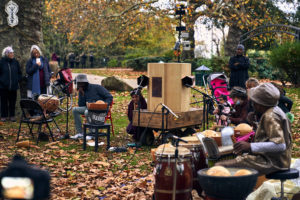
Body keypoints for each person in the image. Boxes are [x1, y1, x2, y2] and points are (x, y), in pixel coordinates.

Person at [216, 83, 292, 175]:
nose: (253, 105)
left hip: (273, 162)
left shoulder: (270, 116)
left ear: (260, 104)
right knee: (234, 161)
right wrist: (256, 123)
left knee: (220, 166)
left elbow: (280, 145)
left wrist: (250, 146)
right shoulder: (275, 110)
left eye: (254, 102)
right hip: (274, 159)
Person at [70, 74, 113, 139]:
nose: (81, 85)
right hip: (88, 108)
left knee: (87, 112)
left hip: (100, 109)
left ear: (86, 82)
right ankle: (80, 133)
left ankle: (92, 134)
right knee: (75, 109)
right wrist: (82, 95)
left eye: (82, 83)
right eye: (79, 83)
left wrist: (103, 105)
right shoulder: (81, 91)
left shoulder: (97, 87)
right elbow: (81, 105)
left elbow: (109, 97)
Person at [0, 46, 22, 122]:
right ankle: (3, 116)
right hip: (3, 87)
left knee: (12, 102)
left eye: (13, 53)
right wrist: (2, 81)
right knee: (4, 102)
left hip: (14, 86)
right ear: (6, 54)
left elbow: (19, 73)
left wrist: (17, 80)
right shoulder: (1, 62)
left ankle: (12, 116)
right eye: (10, 53)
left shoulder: (15, 62)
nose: (12, 54)